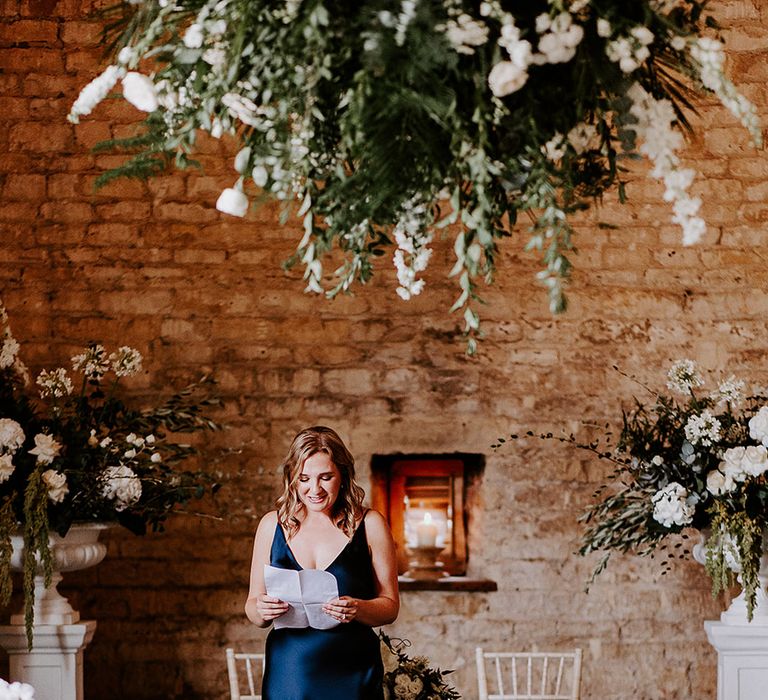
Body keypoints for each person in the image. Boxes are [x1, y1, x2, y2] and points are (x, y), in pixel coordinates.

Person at [245, 426, 400, 699]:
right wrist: (262, 609)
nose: (314, 489)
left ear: (343, 475)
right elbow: (253, 608)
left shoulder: (370, 524)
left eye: (325, 477)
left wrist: (358, 608)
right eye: (304, 478)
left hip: (352, 669)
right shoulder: (272, 525)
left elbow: (390, 607)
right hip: (290, 670)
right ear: (292, 478)